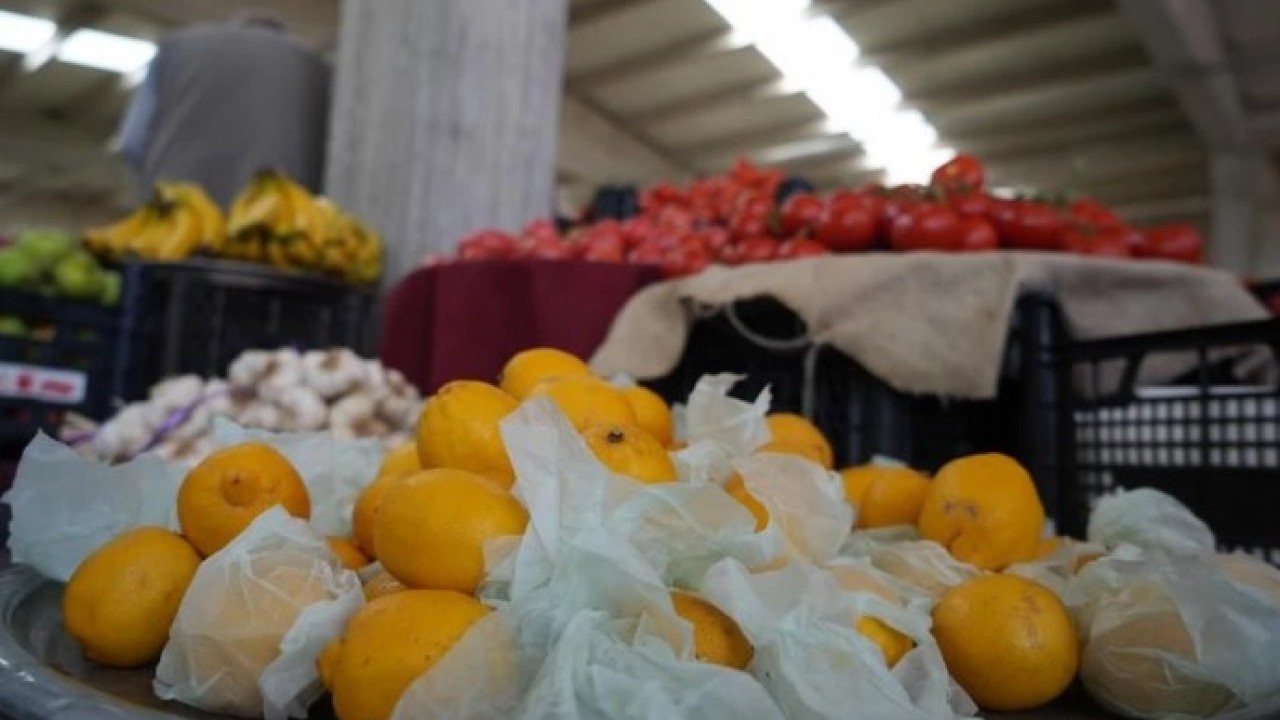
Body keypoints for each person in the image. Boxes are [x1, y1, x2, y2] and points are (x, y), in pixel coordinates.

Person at [117, 15, 330, 206]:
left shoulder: (178, 46)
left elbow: (132, 141)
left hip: (177, 211)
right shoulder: (320, 69)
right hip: (276, 217)